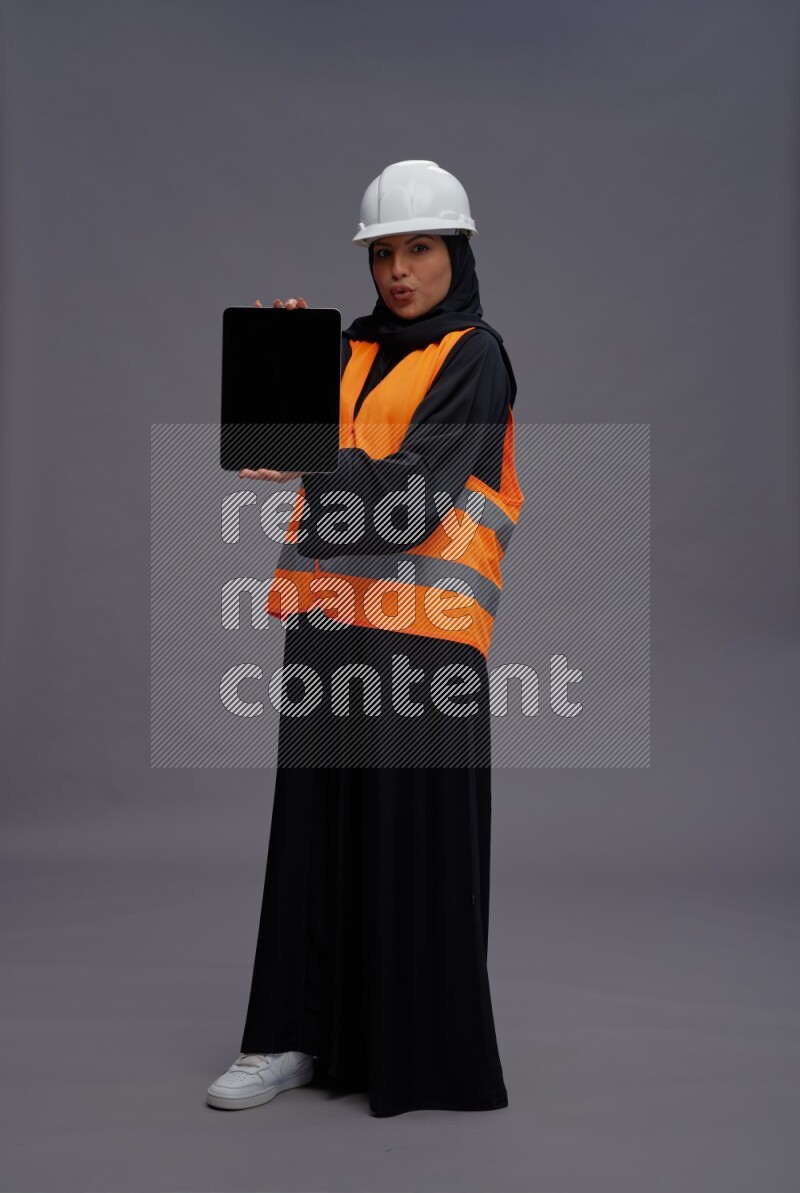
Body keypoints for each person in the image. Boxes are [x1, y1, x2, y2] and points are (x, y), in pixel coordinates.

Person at [206, 160, 524, 1116]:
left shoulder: (477, 354)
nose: (398, 269)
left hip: (425, 643)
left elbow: (418, 498)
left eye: (418, 248)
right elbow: (296, 450)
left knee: (410, 846)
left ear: (455, 253)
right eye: (384, 251)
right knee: (314, 838)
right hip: (329, 629)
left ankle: (410, 1052)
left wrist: (313, 455)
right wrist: (285, 380)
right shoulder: (343, 353)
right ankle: (292, 1038)